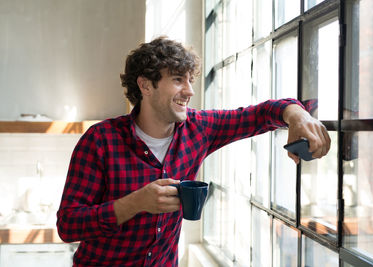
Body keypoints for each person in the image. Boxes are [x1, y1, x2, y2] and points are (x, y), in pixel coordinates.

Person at [57, 36, 330, 266]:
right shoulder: (100, 141)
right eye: (178, 80)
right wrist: (135, 203)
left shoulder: (199, 129)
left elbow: (259, 115)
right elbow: (68, 225)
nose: (189, 91)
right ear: (145, 85)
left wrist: (296, 116)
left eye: (190, 80)